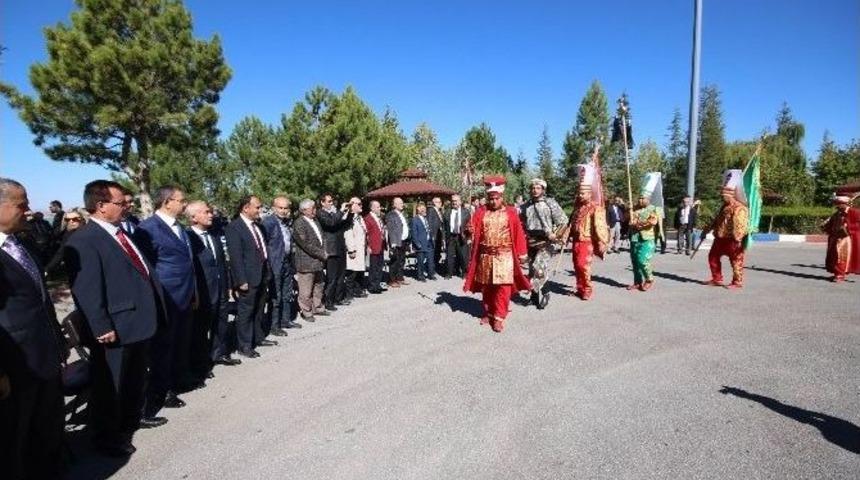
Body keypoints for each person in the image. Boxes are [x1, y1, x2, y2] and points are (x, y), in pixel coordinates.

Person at [64, 179, 164, 457]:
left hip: (137, 321)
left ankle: (132, 420)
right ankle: (107, 437)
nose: (127, 206)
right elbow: (86, 288)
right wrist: (101, 325)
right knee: (112, 385)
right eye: (121, 203)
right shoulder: (84, 239)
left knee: (134, 378)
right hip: (114, 326)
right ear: (100, 206)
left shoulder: (120, 232)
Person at [0, 178, 65, 478]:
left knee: (47, 426)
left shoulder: (21, 243)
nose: (28, 211)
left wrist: (59, 341)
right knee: (15, 437)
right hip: (14, 365)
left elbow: (41, 300)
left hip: (45, 354)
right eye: (21, 204)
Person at [136, 185, 197, 421]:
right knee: (163, 349)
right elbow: (146, 269)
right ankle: (164, 391)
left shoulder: (178, 227)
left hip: (185, 295)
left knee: (179, 343)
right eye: (182, 200)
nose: (185, 204)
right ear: (167, 202)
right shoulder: (148, 229)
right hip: (166, 299)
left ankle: (178, 380)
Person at [463, 176, 531, 333]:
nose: (493, 201)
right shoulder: (480, 212)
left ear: (502, 197)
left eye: (496, 198)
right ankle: (489, 312)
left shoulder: (511, 213)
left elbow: (519, 234)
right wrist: (468, 231)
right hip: (485, 256)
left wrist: (522, 254)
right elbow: (470, 229)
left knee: (502, 287)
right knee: (487, 287)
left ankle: (499, 317)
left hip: (504, 256)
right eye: (490, 198)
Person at [186, 201, 240, 384]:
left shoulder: (214, 235)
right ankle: (201, 364)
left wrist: (230, 283)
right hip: (203, 292)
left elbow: (223, 263)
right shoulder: (188, 238)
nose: (211, 215)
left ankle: (219, 354)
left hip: (221, 288)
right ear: (193, 217)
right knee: (201, 330)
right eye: (206, 212)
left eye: (211, 211)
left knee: (221, 323)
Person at [226, 195, 276, 358]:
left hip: (261, 275)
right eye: (257, 207)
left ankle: (258, 337)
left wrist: (267, 273)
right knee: (246, 311)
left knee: (259, 308)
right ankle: (244, 345)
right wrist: (241, 281)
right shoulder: (234, 228)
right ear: (246, 208)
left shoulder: (258, 227)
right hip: (247, 278)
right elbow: (236, 256)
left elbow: (263, 250)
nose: (259, 210)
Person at [519, 177, 567, 308]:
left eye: (538, 188)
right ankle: (534, 297)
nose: (535, 190)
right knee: (532, 270)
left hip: (546, 241)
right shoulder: (526, 206)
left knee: (539, 269)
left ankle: (546, 293)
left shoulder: (550, 203)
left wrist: (555, 235)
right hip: (531, 241)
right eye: (533, 188)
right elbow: (520, 222)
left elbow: (563, 221)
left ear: (543, 189)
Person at [703, 171, 750, 289]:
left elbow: (741, 224)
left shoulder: (740, 208)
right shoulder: (724, 207)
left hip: (732, 239)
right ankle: (717, 278)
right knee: (712, 257)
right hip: (720, 237)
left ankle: (737, 282)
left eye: (724, 195)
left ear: (731, 195)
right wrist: (707, 230)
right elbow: (716, 220)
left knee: (736, 260)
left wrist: (738, 237)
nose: (722, 196)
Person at [569, 165, 609, 300]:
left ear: (589, 193)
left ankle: (587, 288)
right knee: (576, 265)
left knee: (583, 265)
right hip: (576, 241)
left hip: (587, 241)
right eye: (579, 193)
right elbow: (572, 224)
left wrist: (603, 241)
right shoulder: (578, 208)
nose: (580, 195)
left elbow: (601, 226)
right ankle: (580, 288)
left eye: (582, 193)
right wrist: (566, 235)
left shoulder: (595, 208)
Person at [262, 196, 300, 335]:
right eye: (280, 208)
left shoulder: (286, 222)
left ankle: (285, 320)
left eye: (286, 208)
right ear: (274, 208)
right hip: (275, 263)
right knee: (275, 296)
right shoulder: (268, 223)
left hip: (286, 262)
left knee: (287, 293)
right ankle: (274, 325)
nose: (283, 211)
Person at [292, 199, 329, 321]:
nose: (315, 210)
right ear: (303, 210)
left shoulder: (315, 221)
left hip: (318, 261)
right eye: (312, 208)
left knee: (319, 285)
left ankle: (317, 307)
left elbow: (322, 237)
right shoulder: (299, 223)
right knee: (305, 289)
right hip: (306, 262)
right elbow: (306, 244)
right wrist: (322, 253)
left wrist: (324, 251)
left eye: (315, 208)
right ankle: (306, 311)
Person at [318, 194, 354, 309]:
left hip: (340, 248)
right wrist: (341, 211)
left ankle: (338, 298)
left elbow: (345, 225)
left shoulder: (335, 214)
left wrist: (350, 212)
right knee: (332, 278)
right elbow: (331, 223)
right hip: (331, 249)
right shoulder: (321, 213)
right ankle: (328, 301)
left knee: (340, 276)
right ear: (322, 203)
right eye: (328, 201)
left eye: (332, 201)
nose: (331, 203)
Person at [821, 195, 860, 282]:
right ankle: (836, 273)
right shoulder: (836, 213)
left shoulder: (855, 212)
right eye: (836, 204)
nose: (837, 206)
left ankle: (840, 275)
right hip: (835, 237)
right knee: (834, 256)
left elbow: (857, 226)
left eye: (838, 204)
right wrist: (825, 226)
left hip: (845, 239)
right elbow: (831, 225)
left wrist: (847, 227)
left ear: (845, 204)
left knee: (841, 256)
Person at [627, 193, 659, 291]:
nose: (640, 200)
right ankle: (637, 282)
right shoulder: (635, 209)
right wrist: (628, 212)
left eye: (643, 198)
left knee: (642, 260)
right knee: (635, 262)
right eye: (639, 198)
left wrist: (638, 224)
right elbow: (628, 221)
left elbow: (653, 221)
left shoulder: (653, 209)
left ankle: (649, 279)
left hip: (647, 239)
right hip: (635, 238)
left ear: (648, 199)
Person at [45, 207, 87, 275]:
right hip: (75, 270)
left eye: (75, 219)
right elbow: (61, 252)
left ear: (83, 219)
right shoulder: (68, 234)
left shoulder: (91, 233)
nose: (71, 221)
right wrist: (47, 269)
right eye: (67, 219)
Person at [344, 197, 369, 295]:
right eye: (358, 204)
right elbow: (348, 234)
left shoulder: (360, 218)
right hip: (354, 248)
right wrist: (351, 249)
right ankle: (349, 292)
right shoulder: (349, 218)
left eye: (361, 204)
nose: (361, 206)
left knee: (359, 270)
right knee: (352, 272)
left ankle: (358, 290)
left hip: (361, 248)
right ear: (352, 205)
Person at [384, 197, 410, 287]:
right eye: (400, 203)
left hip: (403, 241)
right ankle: (392, 280)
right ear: (394, 205)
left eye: (402, 203)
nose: (402, 204)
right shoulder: (391, 214)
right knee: (395, 261)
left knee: (401, 260)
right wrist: (393, 243)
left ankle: (400, 277)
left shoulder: (402, 214)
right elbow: (391, 230)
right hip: (396, 241)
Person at [444, 194, 471, 278]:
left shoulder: (465, 212)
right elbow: (444, 227)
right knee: (449, 256)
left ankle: (464, 273)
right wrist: (443, 239)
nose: (454, 202)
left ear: (460, 201)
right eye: (453, 201)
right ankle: (449, 273)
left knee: (463, 256)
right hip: (451, 236)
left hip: (461, 236)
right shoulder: (447, 212)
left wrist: (469, 237)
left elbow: (470, 225)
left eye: (456, 201)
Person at [364, 200, 387, 294]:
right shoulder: (368, 218)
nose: (379, 208)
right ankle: (372, 286)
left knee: (379, 266)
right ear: (372, 208)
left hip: (380, 244)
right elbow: (366, 234)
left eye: (379, 206)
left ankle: (377, 284)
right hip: (373, 246)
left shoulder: (379, 217)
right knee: (373, 267)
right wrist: (368, 245)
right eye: (377, 207)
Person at [410, 202, 436, 281]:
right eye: (422, 209)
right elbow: (414, 233)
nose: (424, 211)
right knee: (420, 261)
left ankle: (431, 274)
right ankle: (420, 276)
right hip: (420, 244)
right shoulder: (415, 220)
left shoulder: (426, 218)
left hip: (429, 242)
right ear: (418, 210)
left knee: (430, 260)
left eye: (425, 209)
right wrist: (417, 244)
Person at [427, 196, 446, 274]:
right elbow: (430, 223)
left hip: (439, 235)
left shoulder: (439, 211)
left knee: (437, 252)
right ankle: (431, 269)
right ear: (434, 203)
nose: (440, 204)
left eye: (440, 202)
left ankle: (436, 267)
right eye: (438, 202)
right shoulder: (431, 211)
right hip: (434, 235)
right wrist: (432, 235)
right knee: (433, 253)